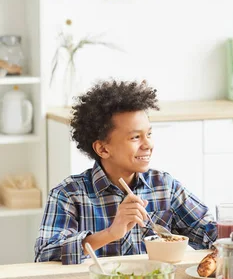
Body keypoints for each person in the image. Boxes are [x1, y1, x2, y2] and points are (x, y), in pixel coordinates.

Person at [35, 80, 217, 264]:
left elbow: (209, 231)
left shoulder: (164, 186)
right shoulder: (69, 194)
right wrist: (110, 233)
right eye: (135, 137)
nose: (148, 145)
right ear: (103, 149)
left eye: (149, 134)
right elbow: (45, 254)